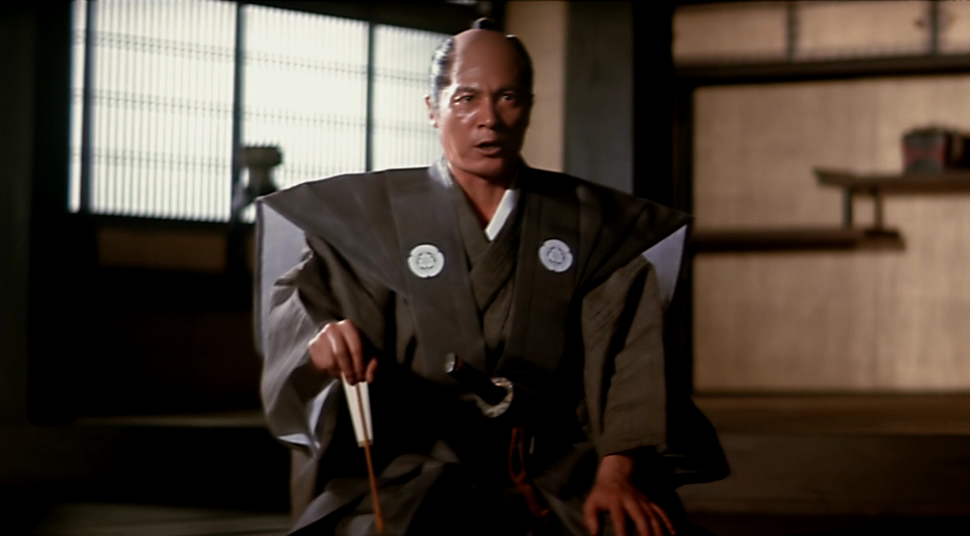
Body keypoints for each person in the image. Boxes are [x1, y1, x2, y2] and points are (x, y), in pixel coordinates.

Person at [256, 19, 728, 536]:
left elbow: (628, 363)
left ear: (528, 106)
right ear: (433, 109)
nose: (488, 119)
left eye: (507, 98)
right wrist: (322, 341)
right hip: (414, 467)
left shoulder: (592, 227)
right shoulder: (373, 221)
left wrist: (617, 473)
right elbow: (310, 311)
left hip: (558, 466)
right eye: (466, 99)